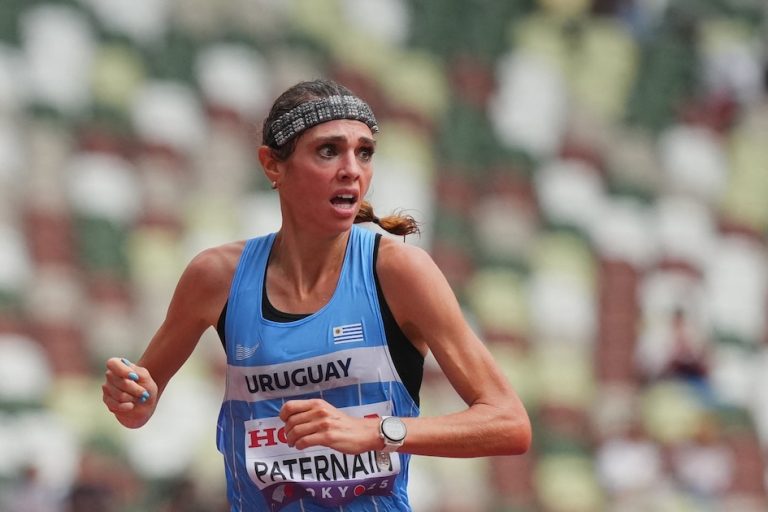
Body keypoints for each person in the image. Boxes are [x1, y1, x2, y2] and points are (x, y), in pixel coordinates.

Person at [102, 78, 531, 511]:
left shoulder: (399, 272)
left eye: (364, 152)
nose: (352, 169)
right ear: (272, 165)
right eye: (329, 151)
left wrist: (378, 431)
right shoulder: (216, 277)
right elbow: (138, 407)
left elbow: (509, 422)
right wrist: (133, 397)